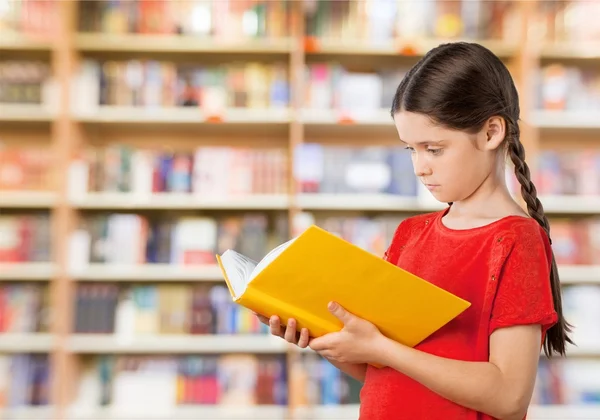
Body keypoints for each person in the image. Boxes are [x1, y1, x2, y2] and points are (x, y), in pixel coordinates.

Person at [256, 41, 572, 420]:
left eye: (434, 149)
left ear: (491, 133)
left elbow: (508, 396)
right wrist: (322, 336)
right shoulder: (411, 233)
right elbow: (385, 372)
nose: (420, 167)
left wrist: (383, 350)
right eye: (411, 150)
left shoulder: (515, 241)